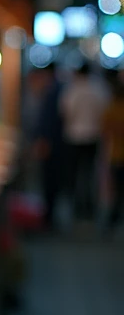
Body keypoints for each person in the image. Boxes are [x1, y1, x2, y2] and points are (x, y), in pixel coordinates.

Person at [60, 62, 109, 220]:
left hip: (74, 135)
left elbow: (65, 111)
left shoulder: (72, 89)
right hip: (92, 135)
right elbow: (103, 111)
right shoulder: (98, 88)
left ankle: (76, 205)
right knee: (89, 172)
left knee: (73, 173)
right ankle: (88, 206)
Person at [32, 66, 65, 226]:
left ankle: (49, 218)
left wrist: (43, 142)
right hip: (53, 144)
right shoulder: (55, 90)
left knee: (50, 180)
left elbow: (50, 122)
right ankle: (48, 216)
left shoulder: (54, 92)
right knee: (50, 181)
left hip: (52, 145)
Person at [103, 76, 124, 228]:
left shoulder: (111, 109)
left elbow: (104, 131)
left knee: (116, 190)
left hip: (116, 155)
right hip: (116, 154)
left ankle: (113, 219)